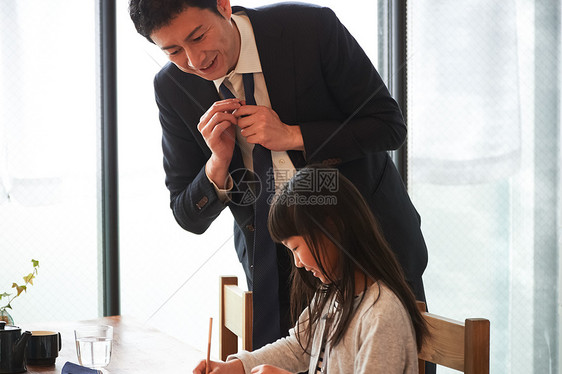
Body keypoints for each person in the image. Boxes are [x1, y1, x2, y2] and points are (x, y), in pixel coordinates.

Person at [128, 0, 429, 350]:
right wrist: (218, 162)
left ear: (223, 6)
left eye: (197, 36)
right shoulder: (172, 87)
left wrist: (293, 135)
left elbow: (387, 126)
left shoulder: (309, 27)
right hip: (277, 270)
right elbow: (187, 215)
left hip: (370, 248)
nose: (195, 61)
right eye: (174, 51)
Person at [193, 167, 428, 374]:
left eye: (295, 247)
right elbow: (299, 348)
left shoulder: (381, 316)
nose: (297, 263)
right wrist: (237, 367)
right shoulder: (334, 293)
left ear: (331, 230)